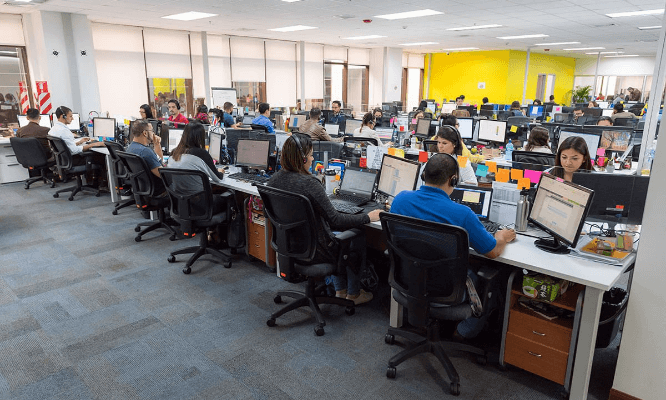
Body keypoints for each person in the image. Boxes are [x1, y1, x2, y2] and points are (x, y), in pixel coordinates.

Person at [390, 153, 516, 338]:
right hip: (447, 290)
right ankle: (464, 332)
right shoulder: (462, 214)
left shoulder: (401, 199)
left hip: (408, 280)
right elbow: (493, 251)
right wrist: (502, 237)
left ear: (424, 175)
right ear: (454, 179)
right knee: (493, 276)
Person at [267, 133, 381, 305]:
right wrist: (367, 217)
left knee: (337, 234)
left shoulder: (274, 180)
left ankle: (339, 290)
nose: (313, 159)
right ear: (303, 158)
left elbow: (268, 211)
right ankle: (353, 294)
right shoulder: (310, 183)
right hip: (317, 251)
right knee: (357, 234)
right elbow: (335, 220)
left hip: (289, 245)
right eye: (311, 155)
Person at [126, 119, 165, 194]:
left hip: (144, 188)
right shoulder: (145, 151)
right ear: (145, 133)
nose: (154, 133)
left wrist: (157, 144)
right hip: (157, 189)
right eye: (152, 131)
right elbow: (163, 175)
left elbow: (159, 160)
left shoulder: (131, 147)